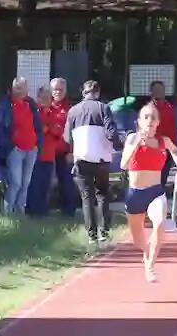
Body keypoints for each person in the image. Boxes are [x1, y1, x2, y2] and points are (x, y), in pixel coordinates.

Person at [121, 103, 177, 282]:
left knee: (159, 224)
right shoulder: (132, 138)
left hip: (155, 192)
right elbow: (123, 164)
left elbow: (175, 151)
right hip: (135, 194)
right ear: (139, 121)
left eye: (153, 117)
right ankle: (146, 253)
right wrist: (136, 145)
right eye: (146, 117)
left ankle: (150, 267)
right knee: (138, 240)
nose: (150, 121)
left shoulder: (163, 141)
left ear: (158, 122)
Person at [66, 80, 121, 247]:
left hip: (81, 158)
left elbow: (67, 138)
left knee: (86, 197)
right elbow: (111, 133)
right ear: (97, 93)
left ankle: (92, 236)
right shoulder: (103, 108)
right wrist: (120, 145)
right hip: (101, 158)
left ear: (83, 93)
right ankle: (104, 232)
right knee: (102, 194)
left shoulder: (73, 111)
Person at [0, 77, 43, 214]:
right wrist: (10, 146)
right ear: (12, 88)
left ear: (27, 89)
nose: (20, 91)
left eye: (22, 88)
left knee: (25, 183)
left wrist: (38, 143)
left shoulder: (30, 103)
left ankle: (20, 212)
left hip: (31, 149)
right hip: (16, 150)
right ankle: (7, 212)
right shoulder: (6, 104)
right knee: (15, 183)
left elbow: (37, 125)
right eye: (17, 88)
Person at [46, 78, 79, 216]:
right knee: (44, 181)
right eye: (55, 89)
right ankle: (42, 211)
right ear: (51, 90)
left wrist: (72, 151)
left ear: (65, 91)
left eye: (61, 89)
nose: (58, 92)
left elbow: (75, 132)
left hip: (64, 152)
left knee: (66, 182)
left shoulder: (71, 109)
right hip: (47, 152)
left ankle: (68, 212)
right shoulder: (46, 107)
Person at [25, 87, 58, 216]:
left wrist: (48, 129)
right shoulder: (34, 112)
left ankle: (43, 212)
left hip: (49, 156)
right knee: (34, 185)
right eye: (43, 97)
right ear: (38, 98)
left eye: (48, 98)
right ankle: (32, 212)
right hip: (36, 155)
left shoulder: (53, 112)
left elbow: (58, 130)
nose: (46, 100)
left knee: (45, 185)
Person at [148, 80, 177, 187]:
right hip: (152, 149)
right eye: (156, 89)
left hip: (166, 149)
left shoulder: (169, 108)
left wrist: (174, 148)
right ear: (151, 92)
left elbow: (173, 129)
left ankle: (160, 194)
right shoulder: (147, 110)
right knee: (152, 180)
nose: (159, 92)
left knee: (163, 179)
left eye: (161, 89)